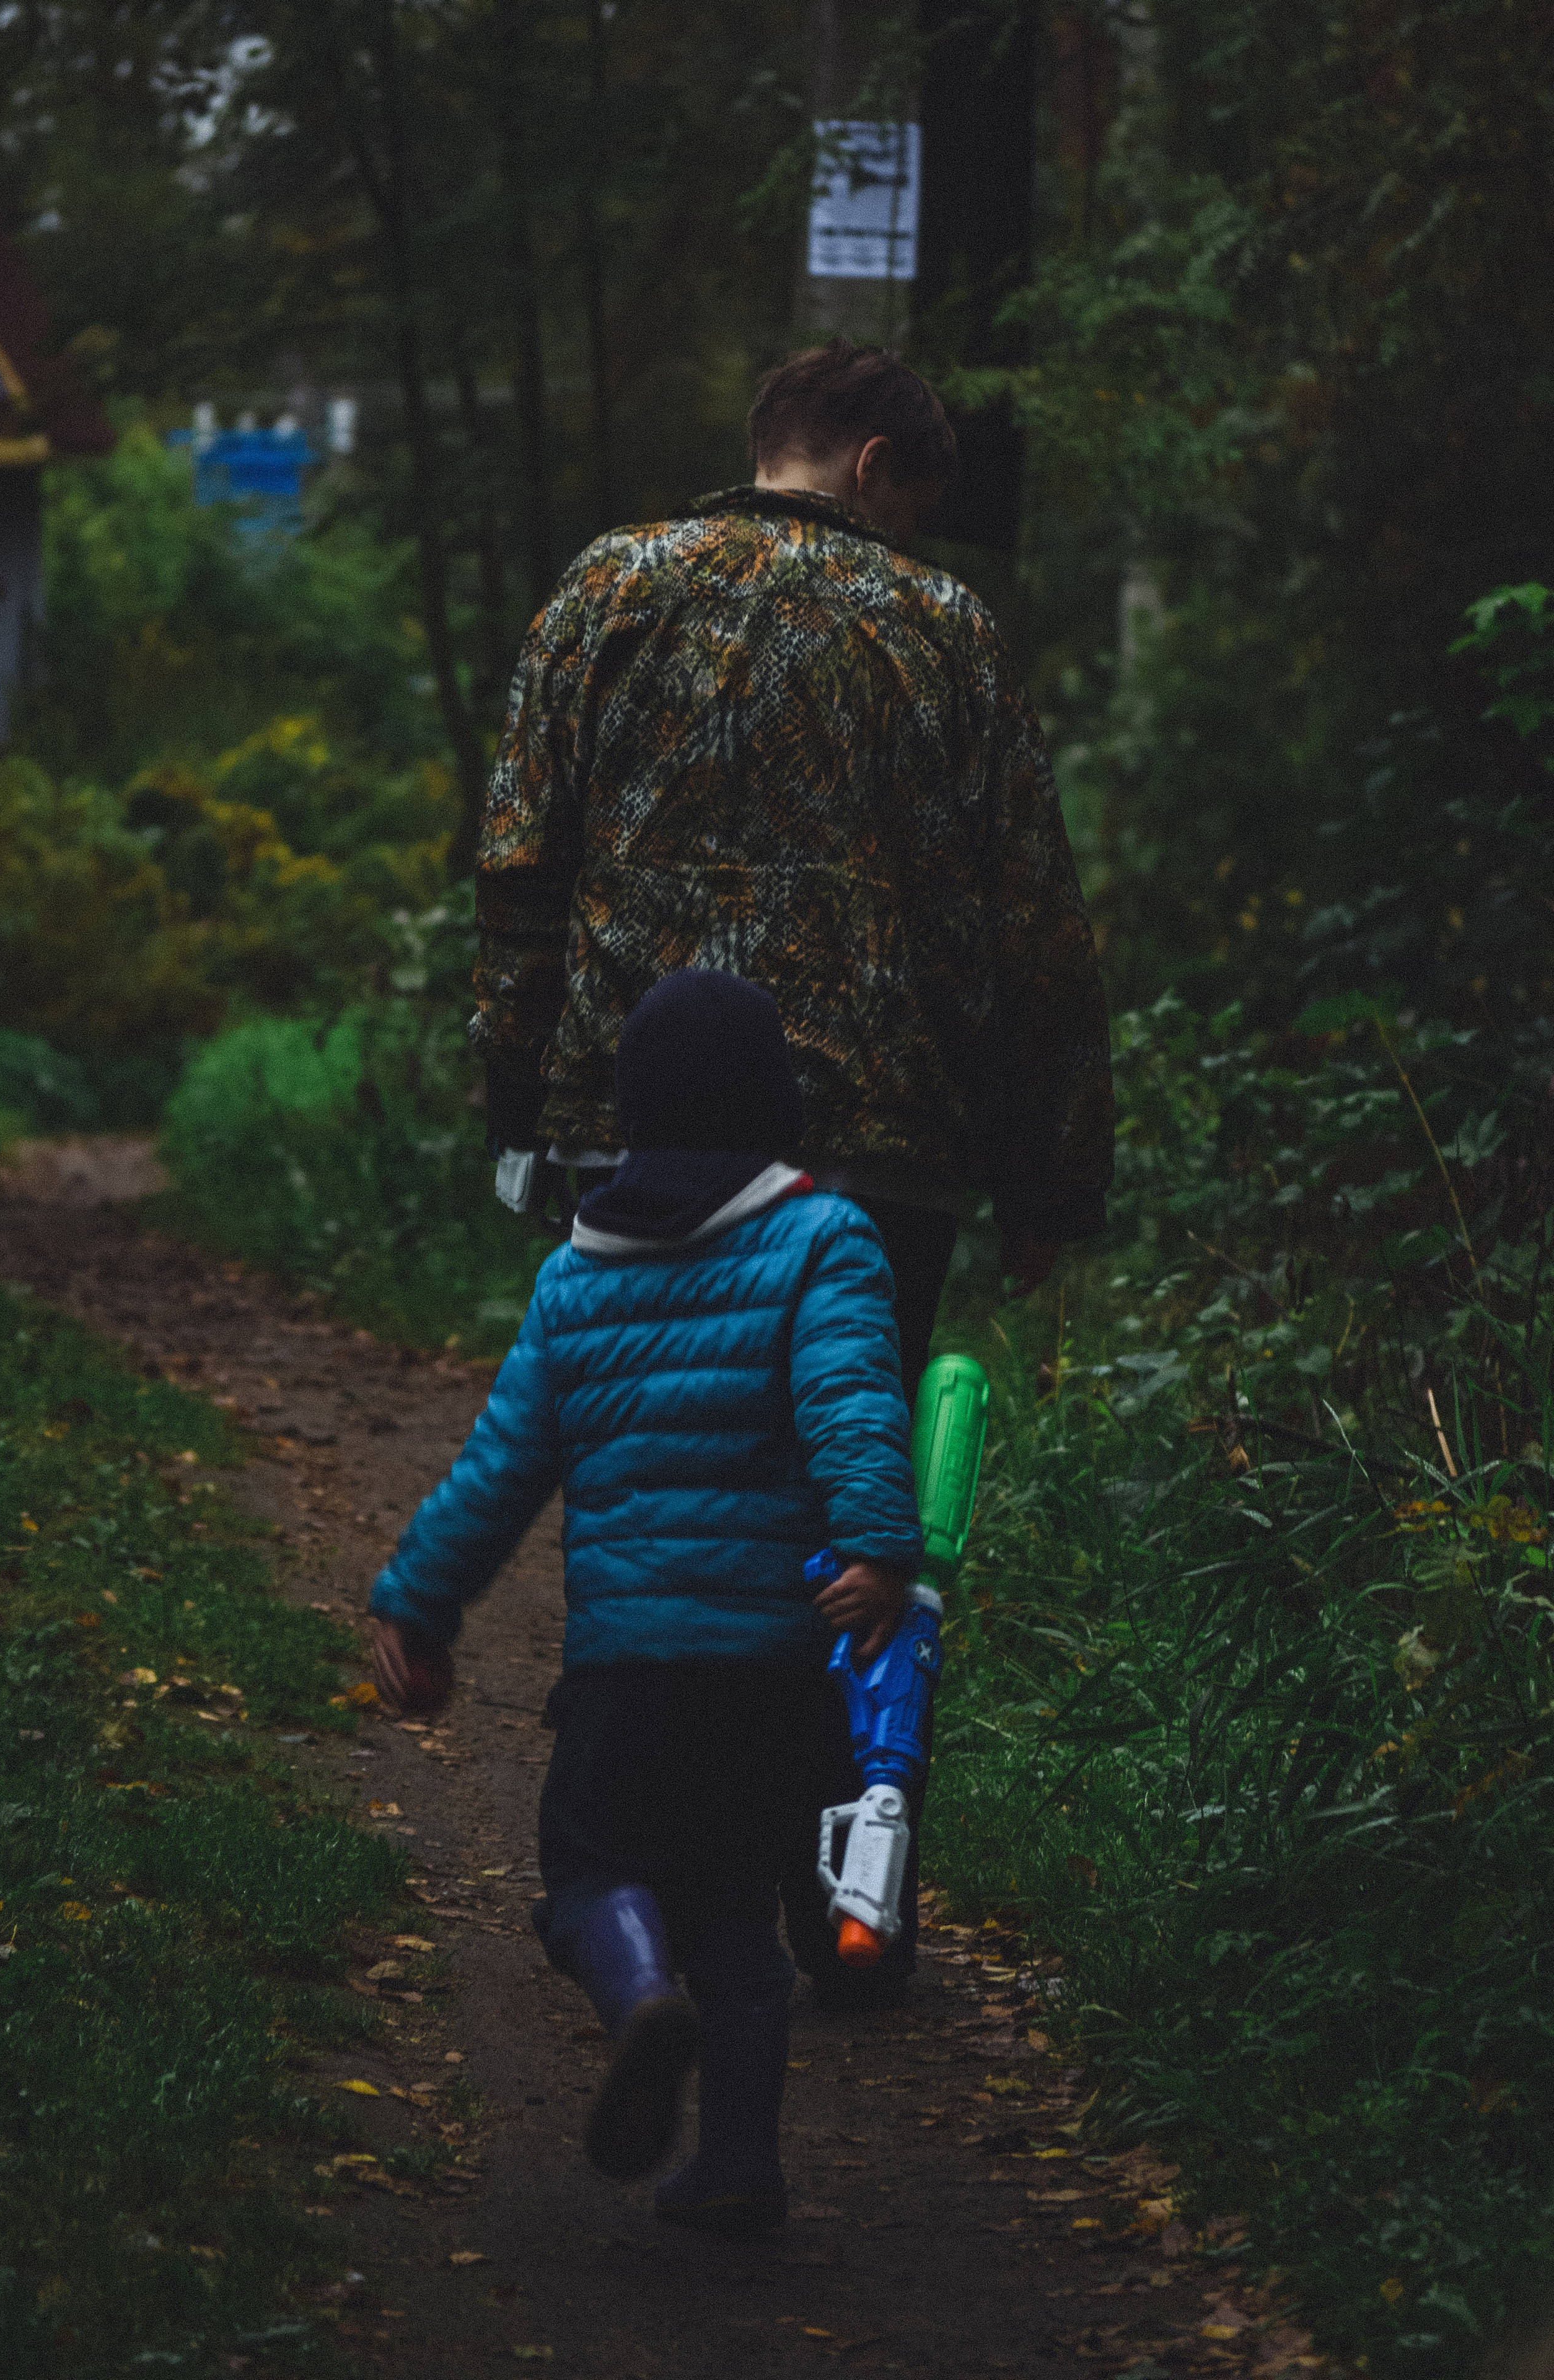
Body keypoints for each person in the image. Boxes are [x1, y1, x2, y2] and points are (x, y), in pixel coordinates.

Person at [469, 335, 1115, 2003]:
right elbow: (1033, 932)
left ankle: (643, 1850)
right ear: (883, 465)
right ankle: (849, 1882)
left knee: (649, 1486)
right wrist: (1054, 1179)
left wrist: (517, 1104)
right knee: (857, 1513)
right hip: (880, 1162)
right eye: (924, 500)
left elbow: (518, 869)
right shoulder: (946, 632)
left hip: (643, 1142)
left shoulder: (605, 590)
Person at [371, 971, 925, 2237]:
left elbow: (500, 1466)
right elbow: (852, 1405)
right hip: (773, 1669)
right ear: (776, 1103)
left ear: (627, 1112)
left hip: (629, 1669)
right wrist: (875, 1549)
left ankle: (632, 1999)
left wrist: (419, 1603)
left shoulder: (577, 1275)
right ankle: (735, 2166)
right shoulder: (823, 1234)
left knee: (590, 1868)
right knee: (737, 1914)